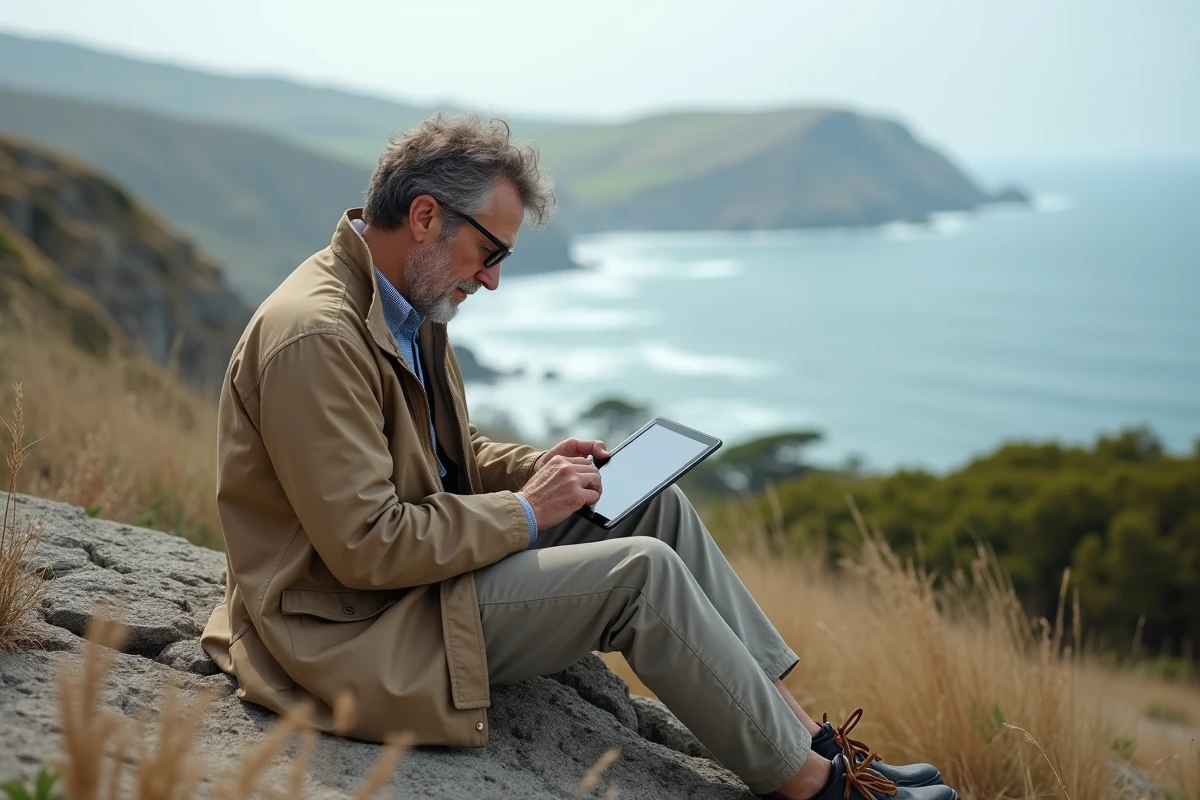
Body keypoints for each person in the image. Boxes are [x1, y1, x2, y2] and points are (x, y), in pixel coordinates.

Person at [200, 114, 957, 800]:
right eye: (489, 251)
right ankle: (819, 791)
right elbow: (366, 547)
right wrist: (529, 512)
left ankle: (814, 743)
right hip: (352, 628)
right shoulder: (320, 338)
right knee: (641, 576)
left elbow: (436, 456)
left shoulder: (403, 299)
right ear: (426, 216)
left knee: (648, 500)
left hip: (409, 591)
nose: (492, 278)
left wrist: (540, 469)